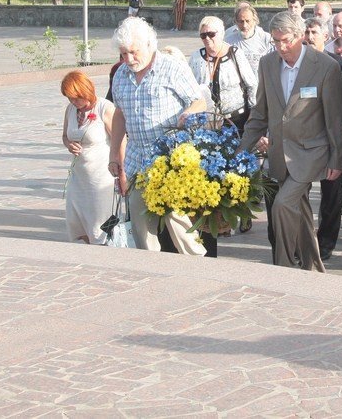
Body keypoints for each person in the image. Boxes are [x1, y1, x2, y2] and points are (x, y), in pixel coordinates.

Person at [240, 12, 342, 272]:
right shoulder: (267, 64)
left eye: (285, 40)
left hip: (312, 153)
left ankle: (284, 268)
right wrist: (240, 150)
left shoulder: (325, 66)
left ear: (300, 36)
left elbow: (335, 119)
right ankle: (313, 267)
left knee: (282, 205)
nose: (280, 47)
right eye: (275, 42)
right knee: (299, 210)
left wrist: (337, 158)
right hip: (279, 154)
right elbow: (260, 112)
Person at [107, 17, 207, 255]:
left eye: (133, 52)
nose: (129, 59)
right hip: (137, 159)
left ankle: (199, 266)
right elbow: (119, 114)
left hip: (169, 160)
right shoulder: (121, 74)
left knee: (178, 221)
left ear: (149, 45)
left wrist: (189, 112)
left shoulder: (172, 67)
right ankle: (149, 268)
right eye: (123, 54)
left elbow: (199, 101)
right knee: (140, 223)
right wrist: (114, 155)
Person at [303, 17, 342, 259]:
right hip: (305, 138)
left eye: (314, 32)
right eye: (306, 32)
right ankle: (305, 238)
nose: (309, 37)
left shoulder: (339, 65)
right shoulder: (296, 64)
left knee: (331, 193)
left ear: (326, 37)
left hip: (332, 137)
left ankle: (326, 242)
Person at [60, 70, 118, 243]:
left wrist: (120, 168)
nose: (73, 102)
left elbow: (119, 139)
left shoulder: (104, 107)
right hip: (78, 176)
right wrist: (69, 144)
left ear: (85, 91)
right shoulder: (70, 109)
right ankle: (87, 251)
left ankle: (109, 246)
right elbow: (65, 135)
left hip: (101, 175)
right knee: (76, 220)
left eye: (76, 98)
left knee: (101, 221)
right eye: (69, 98)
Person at [189, 17, 257, 134]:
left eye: (211, 34)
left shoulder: (235, 54)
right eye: (203, 35)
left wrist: (254, 116)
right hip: (208, 122)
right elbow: (189, 88)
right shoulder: (196, 57)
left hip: (238, 120)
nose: (207, 38)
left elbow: (252, 85)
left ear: (221, 33)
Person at [224, 2, 274, 76]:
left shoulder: (266, 38)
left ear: (254, 20)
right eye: (241, 21)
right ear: (236, 22)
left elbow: (274, 63)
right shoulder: (228, 42)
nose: (244, 25)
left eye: (247, 21)